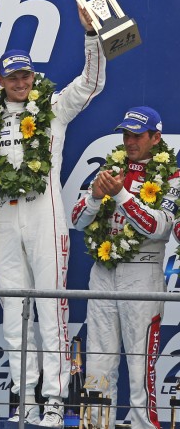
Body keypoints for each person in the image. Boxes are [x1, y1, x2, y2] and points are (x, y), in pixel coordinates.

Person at [0, 5, 106, 426]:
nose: (21, 83)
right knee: (13, 313)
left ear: (33, 77)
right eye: (13, 77)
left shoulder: (54, 109)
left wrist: (91, 37)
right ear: (1, 80)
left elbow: (92, 83)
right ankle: (24, 399)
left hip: (46, 213)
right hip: (6, 217)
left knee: (51, 311)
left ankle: (53, 399)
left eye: (26, 76)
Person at [71, 107, 179, 429]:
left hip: (142, 275)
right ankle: (94, 425)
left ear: (156, 138)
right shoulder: (111, 168)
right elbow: (76, 221)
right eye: (126, 134)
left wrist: (119, 194)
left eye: (138, 135)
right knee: (99, 363)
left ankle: (144, 426)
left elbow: (157, 228)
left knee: (138, 363)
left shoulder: (172, 177)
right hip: (103, 272)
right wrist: (94, 196)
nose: (130, 141)